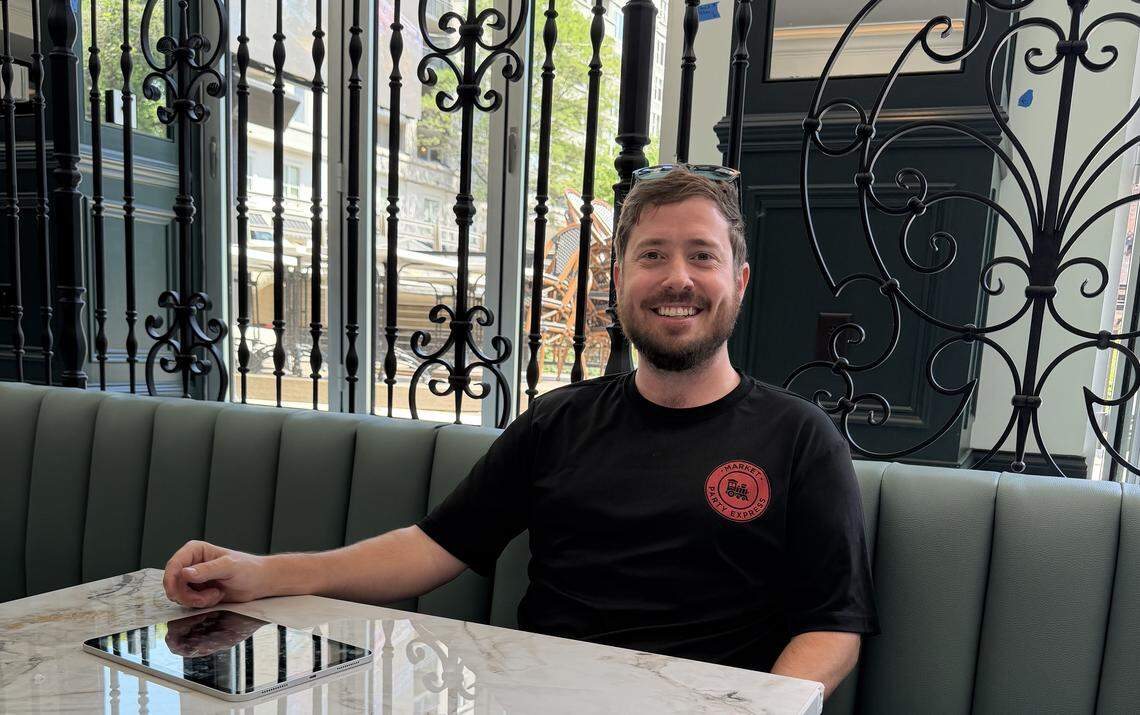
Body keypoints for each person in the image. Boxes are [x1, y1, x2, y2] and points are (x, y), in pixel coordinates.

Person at [163, 165, 878, 699]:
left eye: (702, 255)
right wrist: (259, 573)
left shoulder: (800, 439)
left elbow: (832, 627)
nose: (677, 277)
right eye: (652, 255)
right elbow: (431, 546)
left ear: (741, 280)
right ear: (620, 279)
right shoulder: (559, 420)